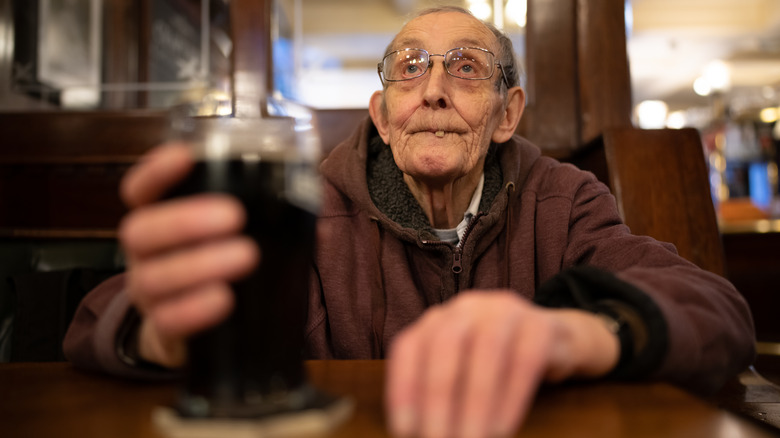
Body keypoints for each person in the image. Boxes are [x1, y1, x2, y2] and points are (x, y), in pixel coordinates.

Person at [64, 6, 755, 438]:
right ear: (383, 114)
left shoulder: (563, 200)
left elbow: (718, 312)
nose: (432, 90)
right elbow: (97, 320)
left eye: (464, 68)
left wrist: (581, 333)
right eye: (410, 69)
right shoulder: (308, 209)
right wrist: (177, 331)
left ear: (507, 113)